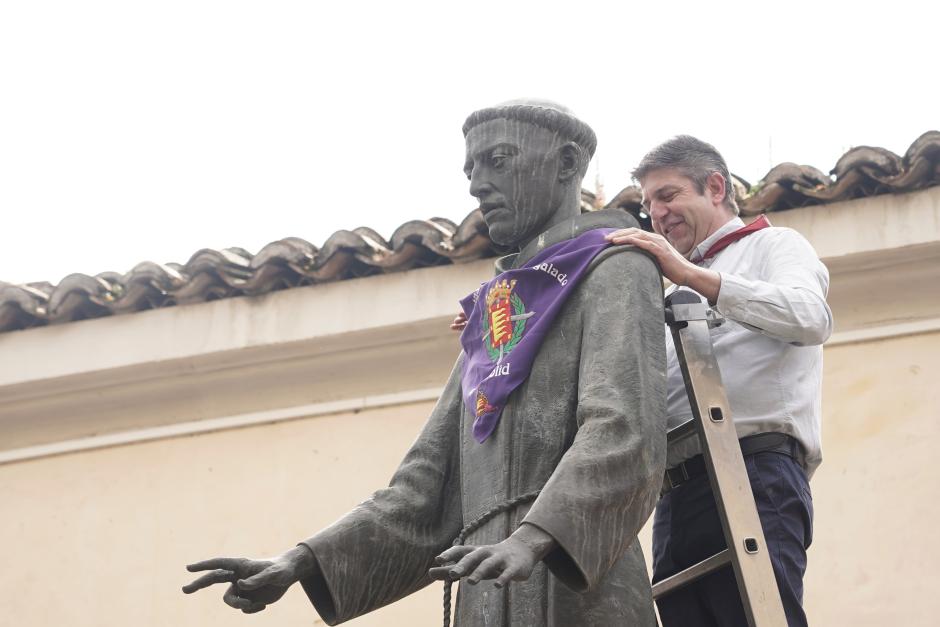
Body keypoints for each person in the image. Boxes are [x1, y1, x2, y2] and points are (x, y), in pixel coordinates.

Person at [182, 100, 669, 626]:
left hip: (578, 590)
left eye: (498, 160)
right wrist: (299, 561)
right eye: (470, 169)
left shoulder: (615, 266)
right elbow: (423, 487)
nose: (477, 185)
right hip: (483, 590)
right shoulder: (498, 311)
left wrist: (532, 539)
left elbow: (624, 429)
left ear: (567, 163)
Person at [605, 135, 833, 627]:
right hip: (674, 496)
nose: (656, 214)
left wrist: (692, 278)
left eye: (668, 195)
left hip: (755, 473)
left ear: (714, 187)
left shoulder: (773, 245)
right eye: (648, 205)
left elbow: (810, 316)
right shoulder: (670, 287)